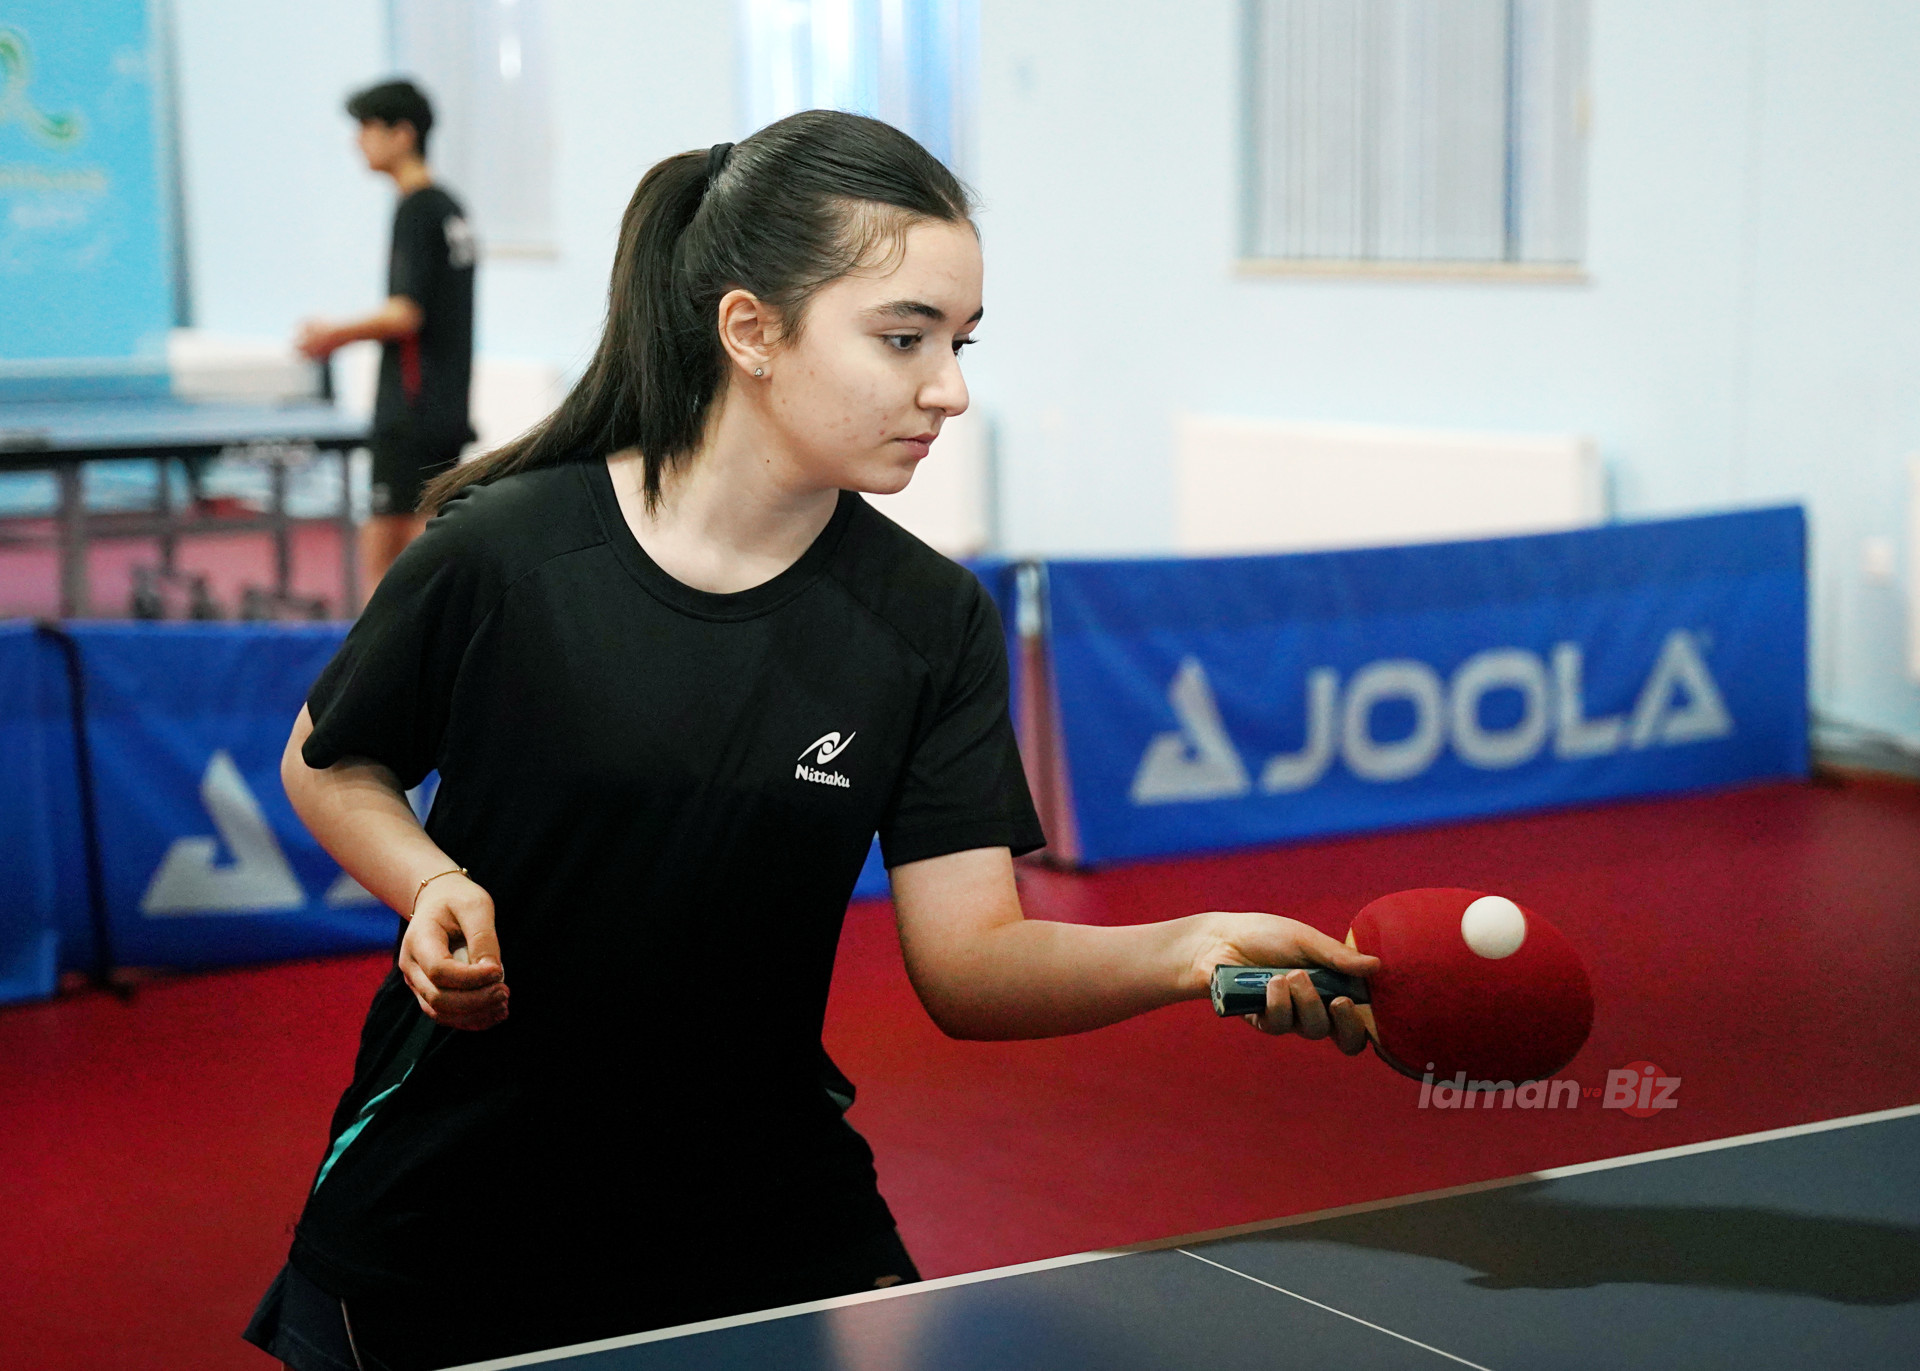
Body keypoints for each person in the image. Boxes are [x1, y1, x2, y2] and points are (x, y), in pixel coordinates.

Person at [247, 111, 1376, 1371]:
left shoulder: (929, 621)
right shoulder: (507, 553)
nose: (948, 388)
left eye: (959, 342)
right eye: (903, 337)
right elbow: (328, 759)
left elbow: (973, 965)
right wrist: (430, 883)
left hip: (761, 1207)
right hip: (450, 1220)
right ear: (752, 332)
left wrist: (1191, 948)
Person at [296, 79, 476, 603]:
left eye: (368, 128)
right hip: (444, 406)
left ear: (403, 134)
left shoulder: (417, 210)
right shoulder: (450, 207)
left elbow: (405, 313)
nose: (358, 141)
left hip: (410, 410)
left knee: (385, 557)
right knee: (427, 548)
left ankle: (382, 657)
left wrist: (333, 334)